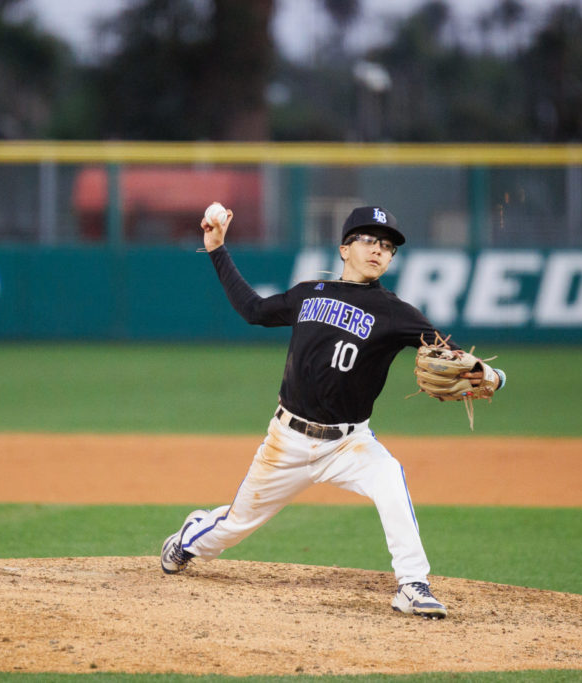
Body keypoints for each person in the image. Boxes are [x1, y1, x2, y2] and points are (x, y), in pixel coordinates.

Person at [159, 205, 506, 619]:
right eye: (370, 240)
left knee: (391, 479)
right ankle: (188, 538)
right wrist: (217, 249)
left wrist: (495, 376)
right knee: (233, 528)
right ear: (344, 248)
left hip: (349, 442)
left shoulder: (396, 313)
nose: (380, 250)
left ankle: (413, 585)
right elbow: (253, 310)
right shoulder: (309, 293)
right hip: (286, 441)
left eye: (388, 246)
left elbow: (453, 357)